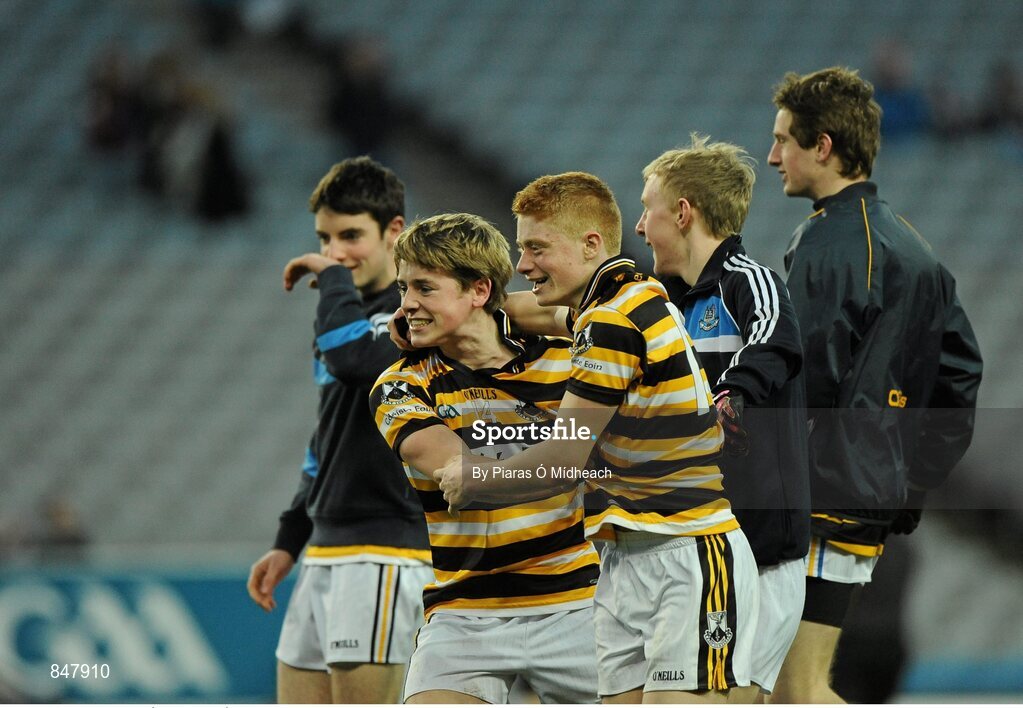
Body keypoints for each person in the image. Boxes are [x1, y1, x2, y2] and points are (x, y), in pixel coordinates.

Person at [437, 173, 759, 703]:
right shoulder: (626, 298)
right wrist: (464, 313)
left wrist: (479, 477)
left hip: (687, 553)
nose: (522, 265)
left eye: (537, 248)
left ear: (590, 245)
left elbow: (565, 456)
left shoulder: (611, 322)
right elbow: (548, 314)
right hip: (627, 557)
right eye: (522, 248)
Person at [766, 66, 983, 703]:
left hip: (819, 501)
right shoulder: (917, 252)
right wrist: (906, 479)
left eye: (785, 140)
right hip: (863, 496)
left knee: (797, 690)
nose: (774, 155)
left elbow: (805, 372)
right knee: (785, 689)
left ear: (823, 147)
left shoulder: (827, 242)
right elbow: (960, 378)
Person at [370, 213, 600, 704]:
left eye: (425, 288)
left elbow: (626, 320)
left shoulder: (569, 360)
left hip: (578, 606)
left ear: (478, 290)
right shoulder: (400, 385)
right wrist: (568, 457)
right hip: (463, 615)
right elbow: (463, 474)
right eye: (403, 288)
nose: (407, 304)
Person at [246, 157, 432, 703]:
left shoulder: (417, 311)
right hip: (325, 550)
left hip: (385, 552)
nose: (334, 252)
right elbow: (326, 440)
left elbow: (355, 359)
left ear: (394, 229)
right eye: (325, 238)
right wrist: (289, 539)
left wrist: (330, 281)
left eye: (351, 235)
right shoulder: (341, 313)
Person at [636, 135, 810, 701]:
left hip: (756, 556)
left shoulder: (748, 282)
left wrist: (721, 411)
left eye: (648, 209)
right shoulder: (662, 302)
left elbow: (772, 345)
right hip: (694, 553)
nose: (640, 226)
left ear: (683, 213)